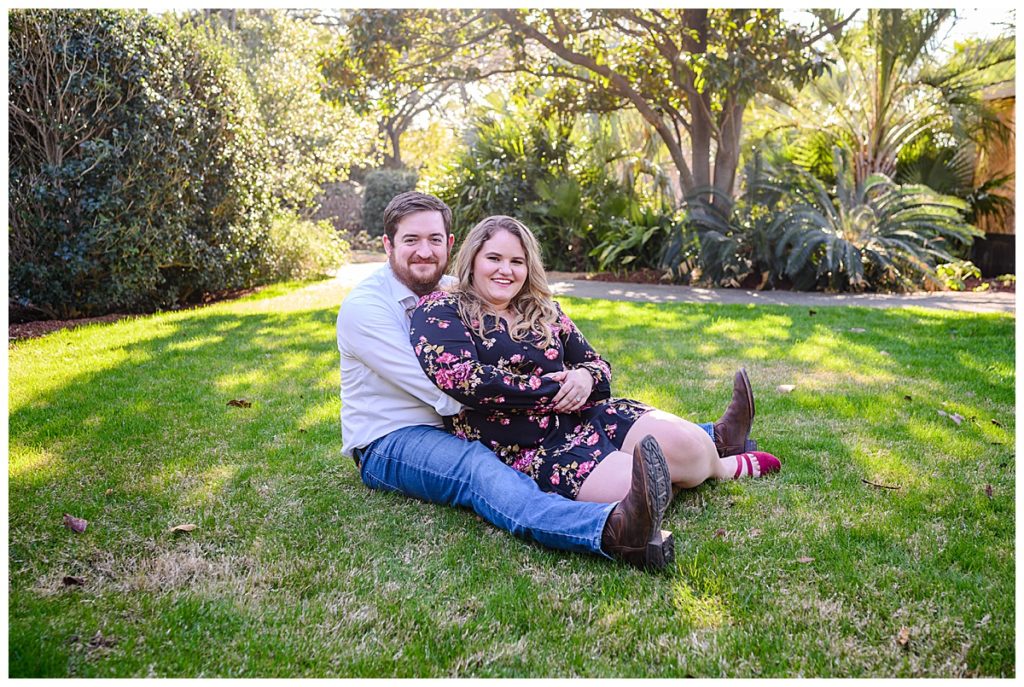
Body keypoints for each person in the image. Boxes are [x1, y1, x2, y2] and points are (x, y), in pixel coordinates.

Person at [338, 192, 681, 569]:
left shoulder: (455, 288)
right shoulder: (366, 309)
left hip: (460, 420)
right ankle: (609, 529)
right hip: (393, 436)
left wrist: (581, 378)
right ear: (388, 244)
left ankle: (712, 441)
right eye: (410, 240)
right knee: (477, 468)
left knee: (593, 414)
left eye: (434, 240)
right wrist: (554, 389)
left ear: (451, 245)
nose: (424, 251)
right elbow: (450, 392)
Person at [410, 215, 779, 503]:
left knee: (692, 447)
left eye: (517, 261)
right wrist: (559, 387)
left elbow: (598, 367)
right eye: (494, 258)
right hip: (521, 441)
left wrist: (586, 378)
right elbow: (466, 381)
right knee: (638, 486)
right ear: (472, 259)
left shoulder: (543, 309)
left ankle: (719, 465)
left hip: (587, 413)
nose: (506, 270)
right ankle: (687, 470)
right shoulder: (442, 309)